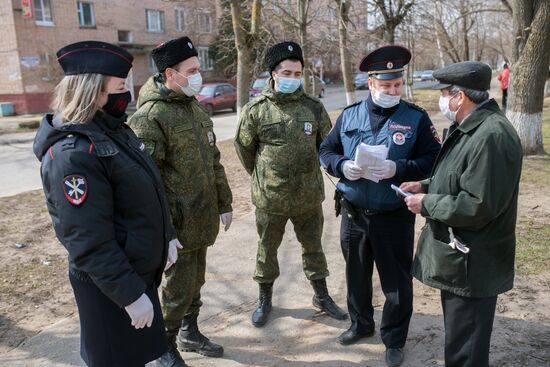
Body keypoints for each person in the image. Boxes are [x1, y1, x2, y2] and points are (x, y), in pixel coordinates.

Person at [33, 40, 181, 367]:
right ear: (93, 91)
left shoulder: (113, 132)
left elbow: (148, 190)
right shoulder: (72, 155)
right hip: (111, 290)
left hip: (134, 276)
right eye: (119, 87)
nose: (126, 94)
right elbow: (87, 239)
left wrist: (167, 235)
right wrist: (129, 295)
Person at [319, 45, 441, 367]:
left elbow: (433, 159)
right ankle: (360, 324)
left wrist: (399, 169)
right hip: (354, 215)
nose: (393, 91)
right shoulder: (349, 115)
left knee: (396, 283)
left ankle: (394, 339)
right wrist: (342, 166)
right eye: (386, 86)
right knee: (356, 275)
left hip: (393, 217)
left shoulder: (415, 117)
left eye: (397, 85)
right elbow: (326, 151)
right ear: (370, 83)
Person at [402, 61, 522, 367]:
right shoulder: (472, 128)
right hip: (463, 260)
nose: (442, 100)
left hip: (474, 264)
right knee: (460, 341)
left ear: (460, 97)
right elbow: (460, 177)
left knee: (466, 351)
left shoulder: (490, 136)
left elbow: (477, 205)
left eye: (444, 93)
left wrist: (426, 203)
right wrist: (424, 185)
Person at [128, 36, 233, 366]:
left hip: (201, 217)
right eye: (193, 70)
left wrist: (225, 202)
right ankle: (165, 345)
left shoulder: (194, 108)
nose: (199, 75)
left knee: (196, 282)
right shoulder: (150, 118)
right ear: (170, 74)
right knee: (177, 289)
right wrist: (165, 231)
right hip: (176, 223)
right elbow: (145, 185)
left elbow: (213, 159)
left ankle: (190, 331)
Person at [234, 41, 347, 328]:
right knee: (266, 250)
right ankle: (264, 300)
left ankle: (321, 296)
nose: (292, 79)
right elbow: (245, 150)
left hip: (308, 197)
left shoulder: (313, 107)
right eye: (287, 72)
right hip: (270, 199)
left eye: (298, 74)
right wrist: (265, 177)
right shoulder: (256, 110)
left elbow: (328, 146)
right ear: (273, 74)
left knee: (313, 247)